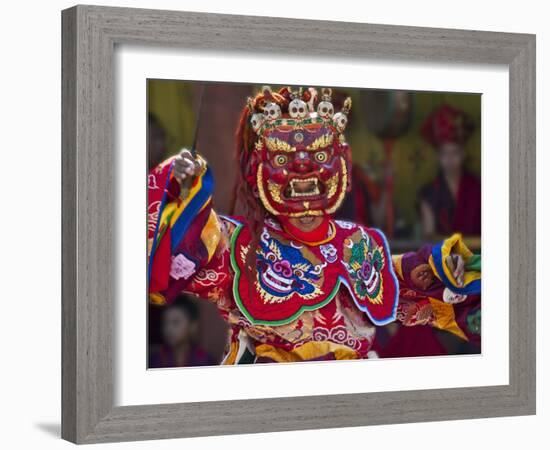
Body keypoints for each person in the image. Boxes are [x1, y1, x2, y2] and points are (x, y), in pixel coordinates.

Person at [147, 86, 481, 364]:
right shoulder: (241, 245)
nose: (304, 171)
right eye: (282, 160)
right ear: (258, 172)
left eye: (320, 157)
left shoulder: (358, 241)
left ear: (342, 163)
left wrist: (429, 268)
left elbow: (396, 290)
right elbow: (173, 251)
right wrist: (177, 187)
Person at [419, 104, 481, 238]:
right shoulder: (429, 194)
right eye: (444, 154)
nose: (450, 159)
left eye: (455, 153)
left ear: (463, 154)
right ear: (438, 157)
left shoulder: (479, 188)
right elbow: (429, 236)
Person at [149, 294, 216, 368]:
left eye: (176, 322)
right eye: (166, 322)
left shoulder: (205, 362)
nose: (169, 329)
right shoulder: (154, 359)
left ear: (192, 326)